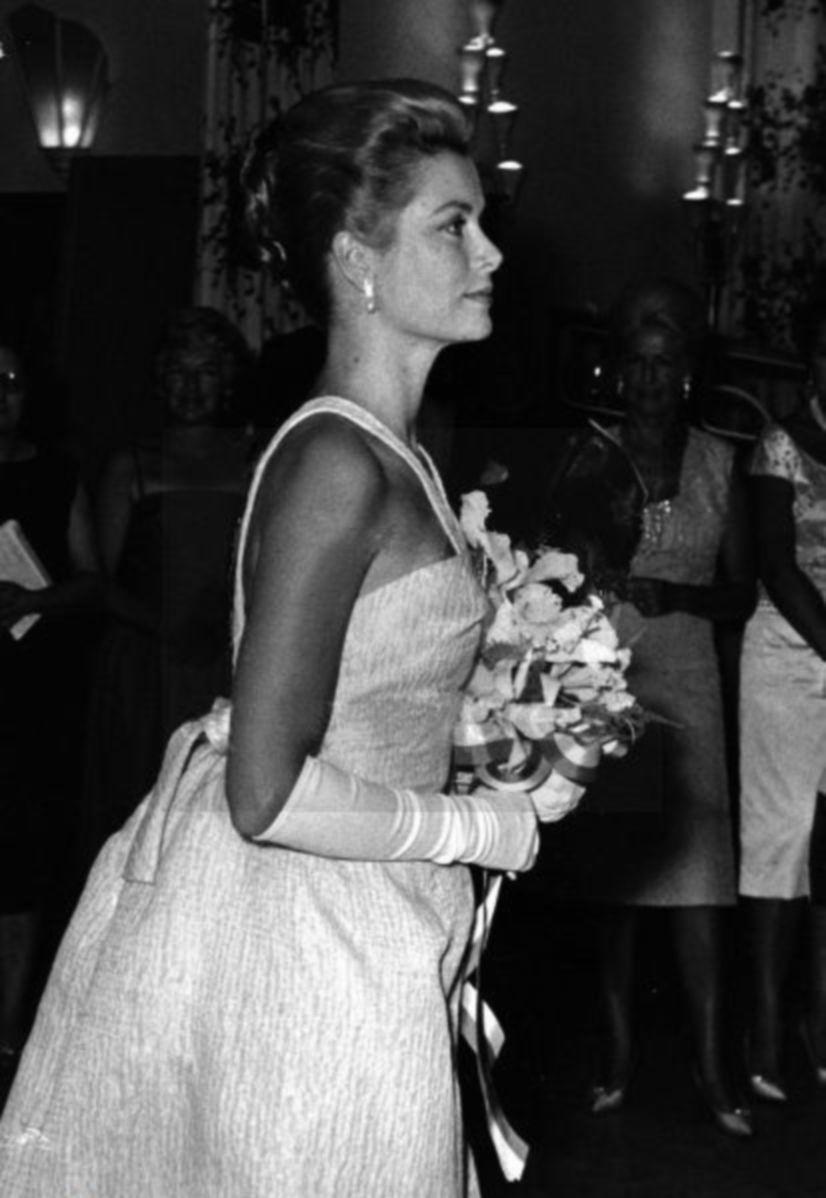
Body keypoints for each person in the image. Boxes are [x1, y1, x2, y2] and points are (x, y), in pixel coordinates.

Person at [0, 80, 588, 1197]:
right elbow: (262, 789)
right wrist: (482, 822)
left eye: (481, 220)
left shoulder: (397, 453)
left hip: (378, 908)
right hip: (305, 930)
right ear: (354, 259)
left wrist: (518, 744)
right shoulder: (336, 463)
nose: (493, 254)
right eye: (452, 226)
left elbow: (377, 689)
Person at [542, 278, 755, 1136]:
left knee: (701, 884)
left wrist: (681, 596)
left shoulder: (722, 461)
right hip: (610, 666)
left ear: (687, 374)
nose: (651, 378)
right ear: (619, 371)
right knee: (619, 884)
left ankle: (714, 1068)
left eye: (667, 364)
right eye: (638, 363)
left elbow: (740, 593)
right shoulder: (587, 454)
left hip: (690, 669)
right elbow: (550, 568)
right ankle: (618, 1056)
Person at [81, 307, 253, 860]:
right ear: (162, 378)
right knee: (133, 814)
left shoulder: (250, 461)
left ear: (225, 380)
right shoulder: (129, 465)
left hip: (221, 663)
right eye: (180, 371)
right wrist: (165, 630)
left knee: (206, 827)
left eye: (206, 371)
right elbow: (99, 583)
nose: (192, 386)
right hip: (143, 665)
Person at [0, 336, 100, 1071]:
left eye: (10, 378)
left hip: (30, 691)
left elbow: (92, 581)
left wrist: (35, 598)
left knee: (23, 862)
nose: (0, 392)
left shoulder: (60, 474)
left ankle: (7, 1029)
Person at [739, 278, 826, 1100]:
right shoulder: (779, 443)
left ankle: (819, 1022)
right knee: (784, 841)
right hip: (789, 655)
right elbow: (775, 561)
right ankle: (763, 1033)